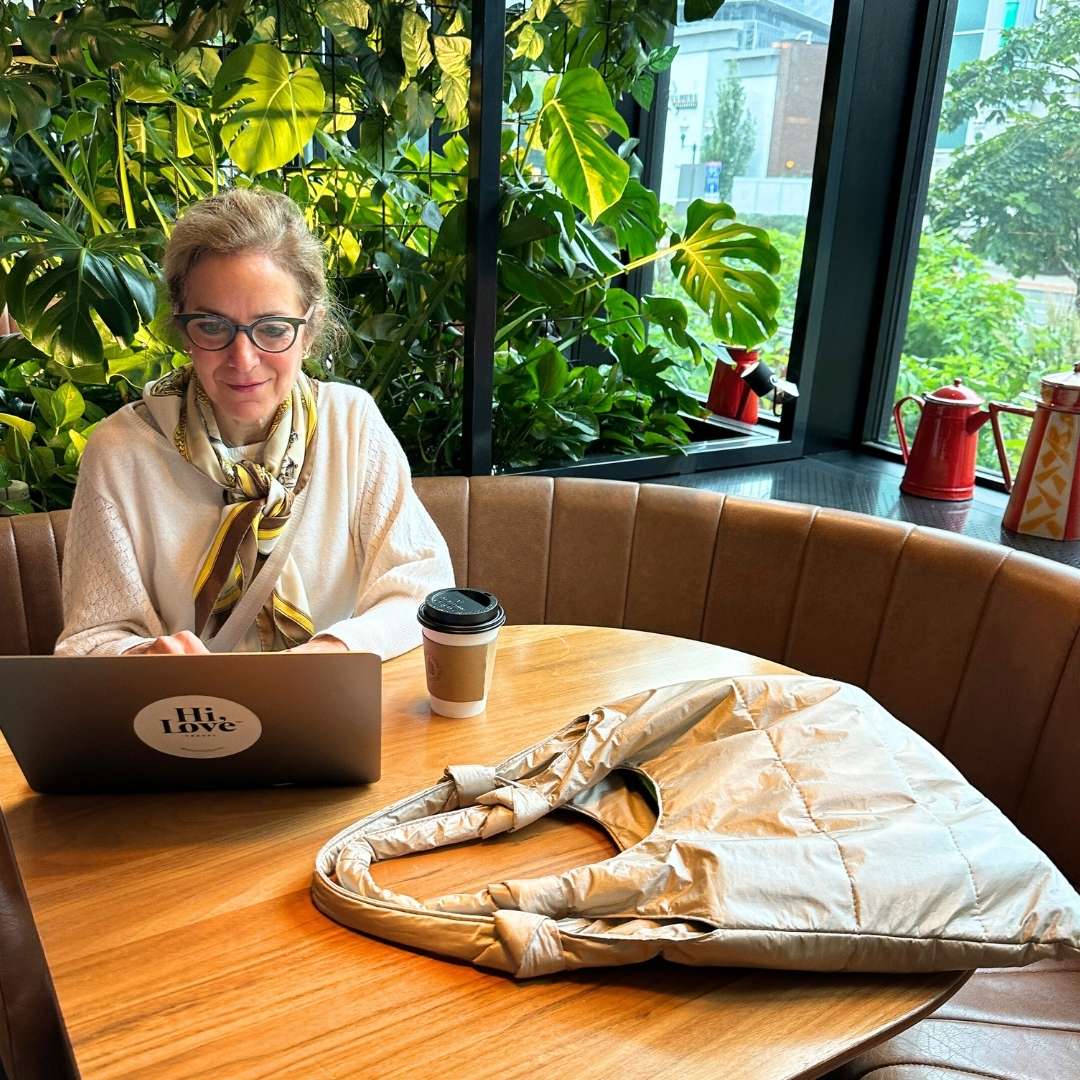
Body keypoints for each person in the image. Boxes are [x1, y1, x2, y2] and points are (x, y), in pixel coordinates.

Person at [54, 188, 454, 658]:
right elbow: (90, 640)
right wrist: (140, 658)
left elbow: (422, 589)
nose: (243, 360)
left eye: (272, 329)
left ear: (309, 331)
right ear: (183, 329)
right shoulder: (121, 451)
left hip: (328, 710)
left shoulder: (351, 424)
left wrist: (334, 651)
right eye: (212, 326)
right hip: (184, 718)